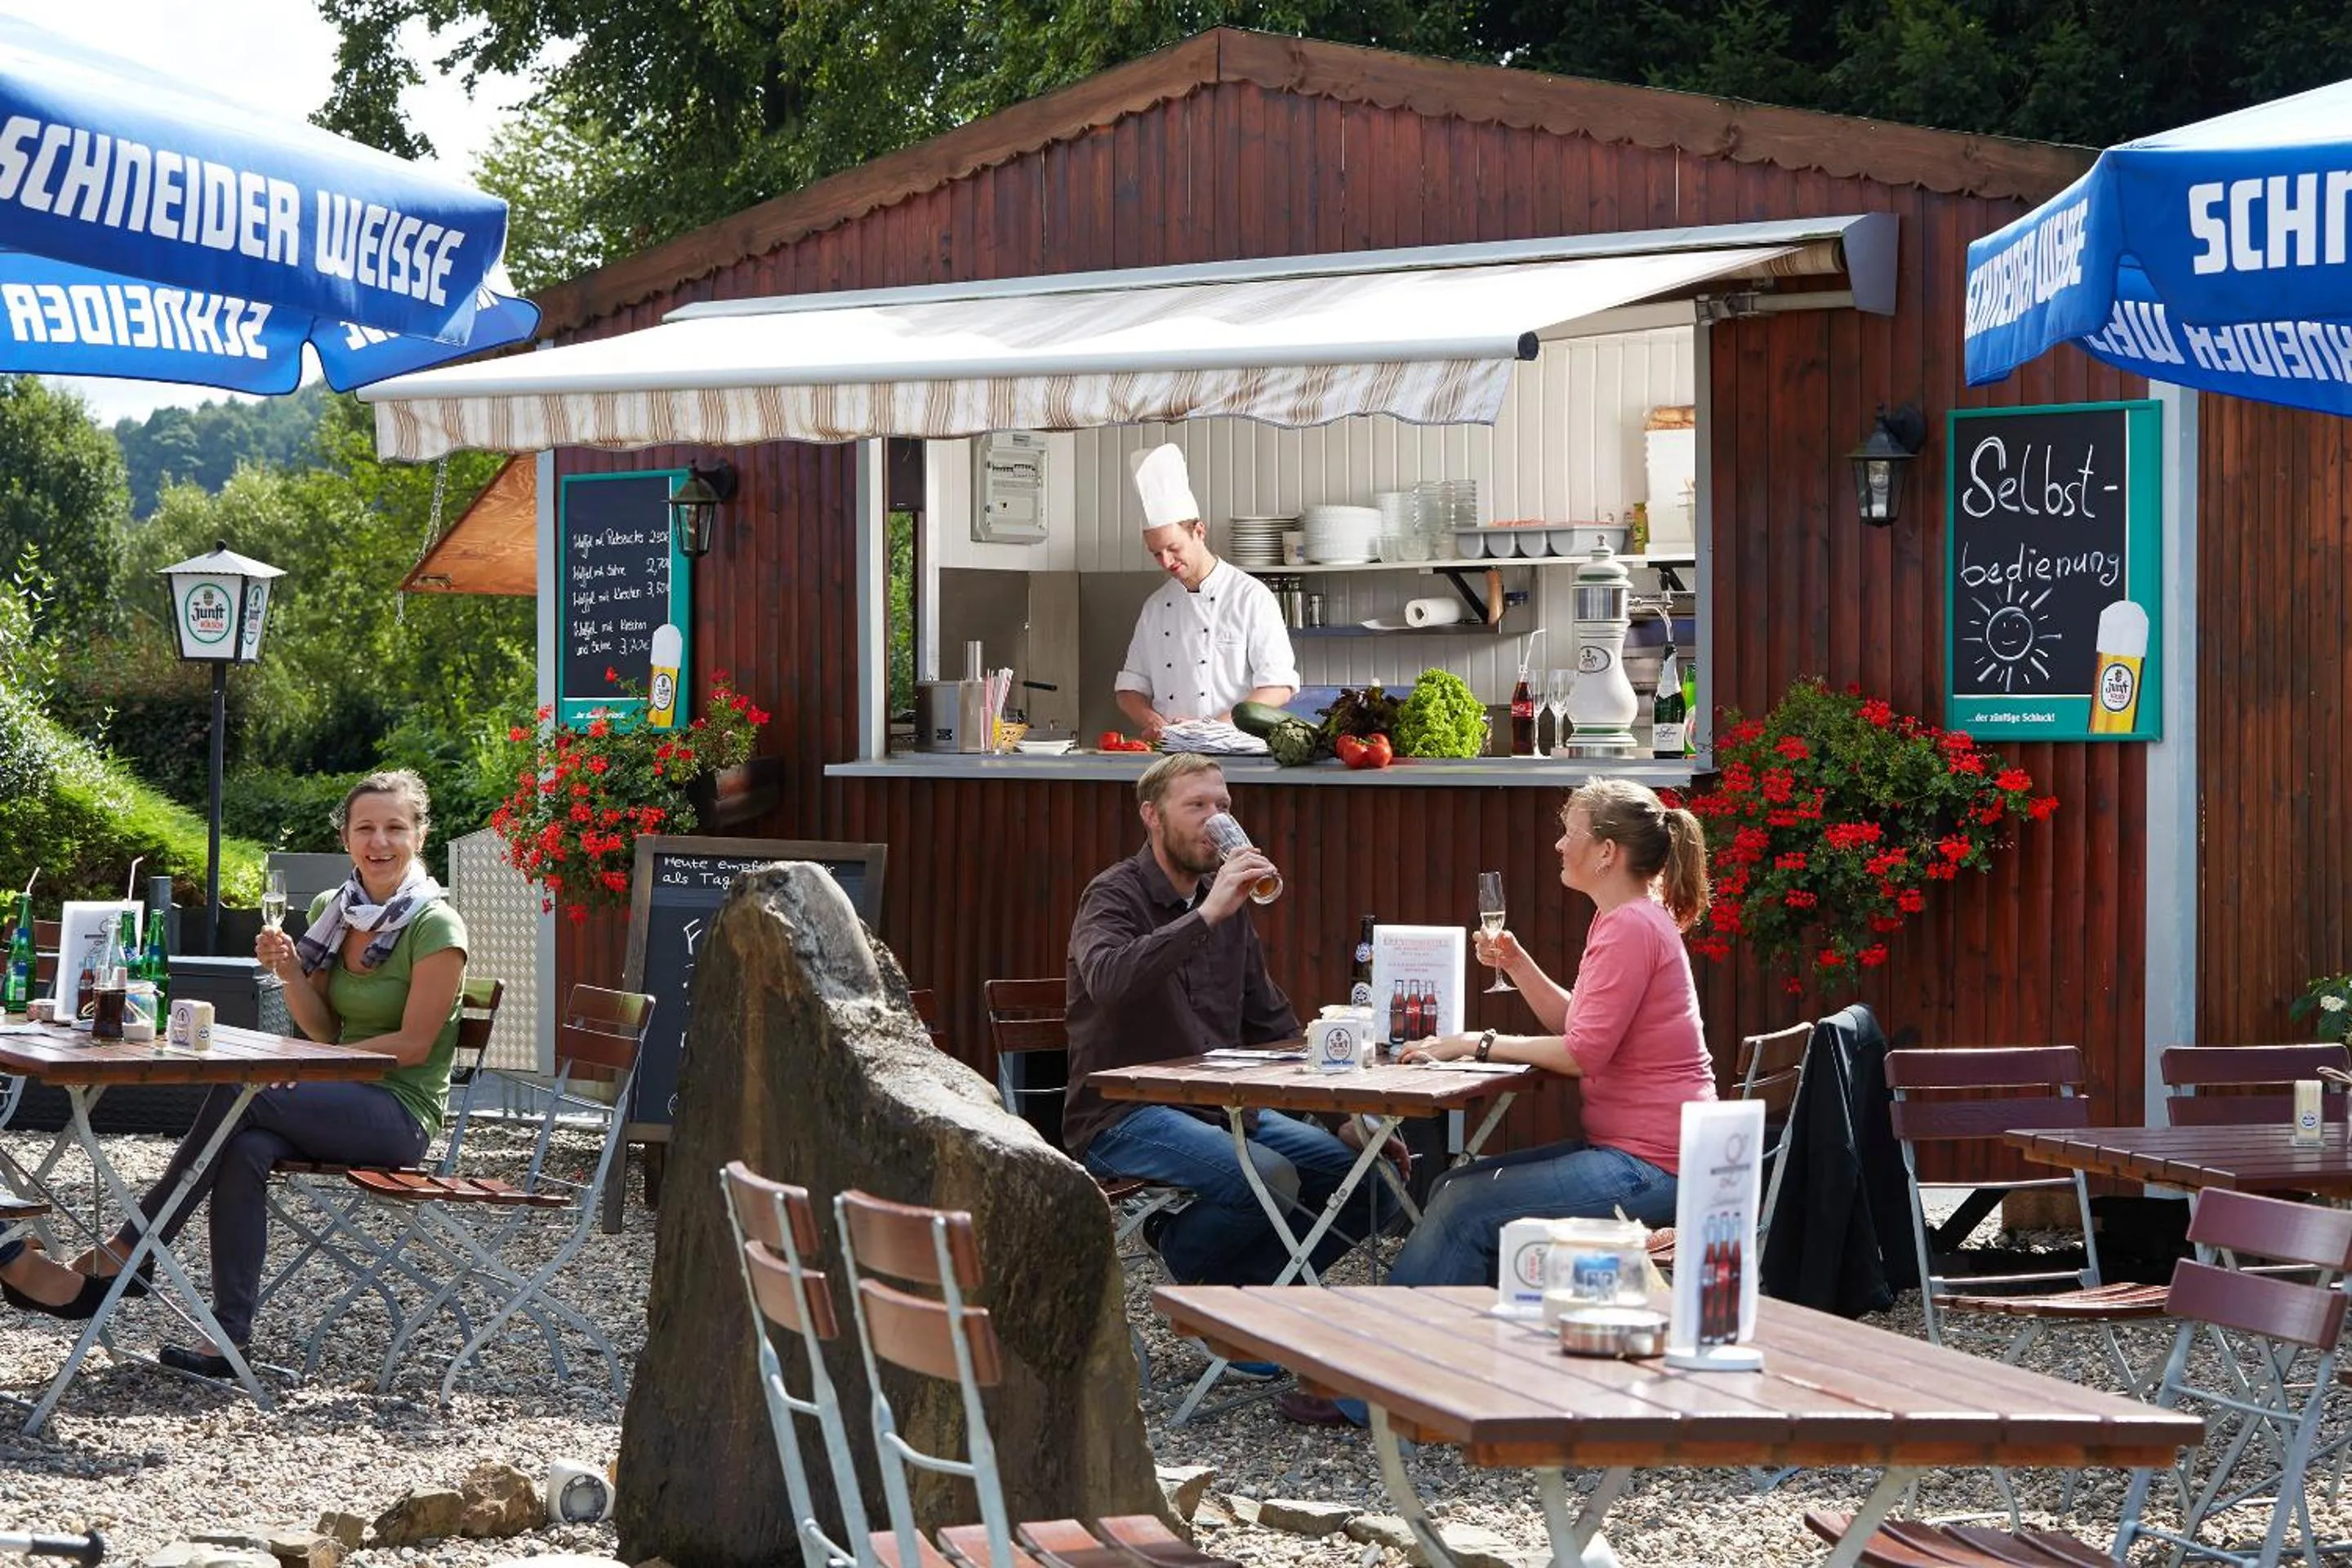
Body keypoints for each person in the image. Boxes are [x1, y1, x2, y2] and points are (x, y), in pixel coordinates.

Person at [1279, 777, 1716, 1427]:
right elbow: (1583, 1026)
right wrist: (1517, 965)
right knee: (1459, 1184)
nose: (1559, 843)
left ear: (1606, 852)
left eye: (1571, 829)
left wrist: (1472, 1043)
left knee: (1464, 1204)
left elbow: (1580, 1053)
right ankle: (1453, 1372)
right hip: (1656, 1155)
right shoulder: (1625, 918)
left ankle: (1378, 1388)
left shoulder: (1631, 926)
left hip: (1655, 1170)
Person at [74, 770, 468, 1376]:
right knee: (246, 1145)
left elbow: (414, 1047)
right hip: (338, 1093)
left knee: (241, 1088)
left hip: (397, 1113)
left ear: (420, 835)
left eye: (396, 827)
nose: (380, 841)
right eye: (366, 827)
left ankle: (135, 1245)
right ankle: (229, 1342)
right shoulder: (332, 911)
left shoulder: (436, 927)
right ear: (345, 838)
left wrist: (319, 1071)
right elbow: (325, 1032)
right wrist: (290, 973)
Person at [1064, 754, 1392, 1290]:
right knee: (1271, 1177)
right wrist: (1206, 914)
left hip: (1221, 1107)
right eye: (1196, 806)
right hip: (1122, 1115)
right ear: (1152, 816)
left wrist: (1344, 1118)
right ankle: (1179, 1247)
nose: (1214, 819)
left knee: (1371, 1179)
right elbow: (1108, 981)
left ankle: (1254, 1302)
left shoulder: (1226, 906)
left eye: (1223, 806)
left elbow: (1270, 1020)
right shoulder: (1114, 894)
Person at [1113, 443, 1299, 742]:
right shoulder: (1157, 606)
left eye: (1174, 549)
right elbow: (1129, 688)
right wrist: (1150, 719)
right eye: (1156, 554)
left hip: (1239, 750)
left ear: (1199, 531)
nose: (1167, 562)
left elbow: (1278, 686)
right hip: (1170, 753)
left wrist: (1213, 728)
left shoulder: (1251, 597)